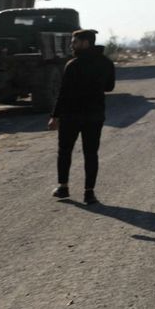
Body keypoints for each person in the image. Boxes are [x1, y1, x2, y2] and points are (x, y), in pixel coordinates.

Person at [49, 29, 116, 206]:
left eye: (75, 42)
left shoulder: (73, 65)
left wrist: (55, 116)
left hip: (71, 115)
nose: (72, 45)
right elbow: (109, 87)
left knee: (65, 151)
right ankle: (89, 193)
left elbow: (63, 94)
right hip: (95, 115)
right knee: (91, 153)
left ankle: (63, 187)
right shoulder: (107, 63)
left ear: (85, 43)